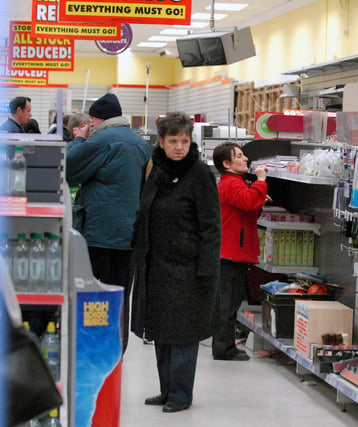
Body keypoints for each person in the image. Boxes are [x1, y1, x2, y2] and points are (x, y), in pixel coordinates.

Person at [130, 112, 221, 413]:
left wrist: (207, 267)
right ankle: (166, 389)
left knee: (183, 333)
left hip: (188, 268)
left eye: (184, 140)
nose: (180, 146)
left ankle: (181, 394)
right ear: (162, 141)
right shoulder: (155, 170)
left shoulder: (200, 173)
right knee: (159, 331)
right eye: (173, 141)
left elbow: (211, 225)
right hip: (156, 264)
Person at [66, 93, 151, 354]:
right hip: (130, 235)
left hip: (98, 234)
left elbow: (68, 169)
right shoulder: (141, 143)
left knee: (93, 294)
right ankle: (117, 350)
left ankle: (93, 348)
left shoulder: (101, 139)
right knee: (120, 296)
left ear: (95, 119)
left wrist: (79, 139)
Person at [211, 142, 271, 361]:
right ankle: (223, 348)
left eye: (244, 155)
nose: (245, 158)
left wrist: (258, 199)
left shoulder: (233, 183)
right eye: (239, 156)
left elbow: (248, 212)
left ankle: (224, 345)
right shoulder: (232, 184)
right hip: (230, 252)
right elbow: (247, 201)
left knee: (231, 300)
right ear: (227, 164)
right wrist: (261, 181)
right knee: (227, 301)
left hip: (233, 251)